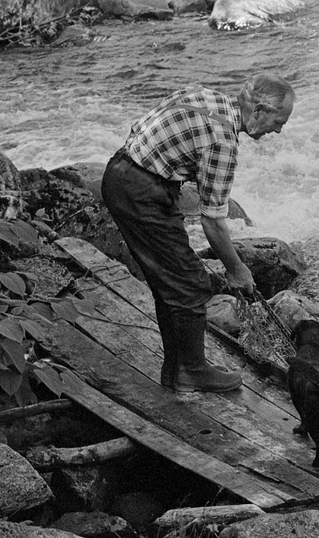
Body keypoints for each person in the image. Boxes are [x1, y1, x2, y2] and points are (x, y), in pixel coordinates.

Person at [102, 73, 294, 393]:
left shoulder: (206, 95)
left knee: (173, 282)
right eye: (279, 121)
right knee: (190, 283)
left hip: (122, 170)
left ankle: (177, 369)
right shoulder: (224, 143)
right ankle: (190, 371)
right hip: (140, 192)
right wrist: (236, 268)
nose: (279, 130)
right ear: (259, 111)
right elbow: (213, 221)